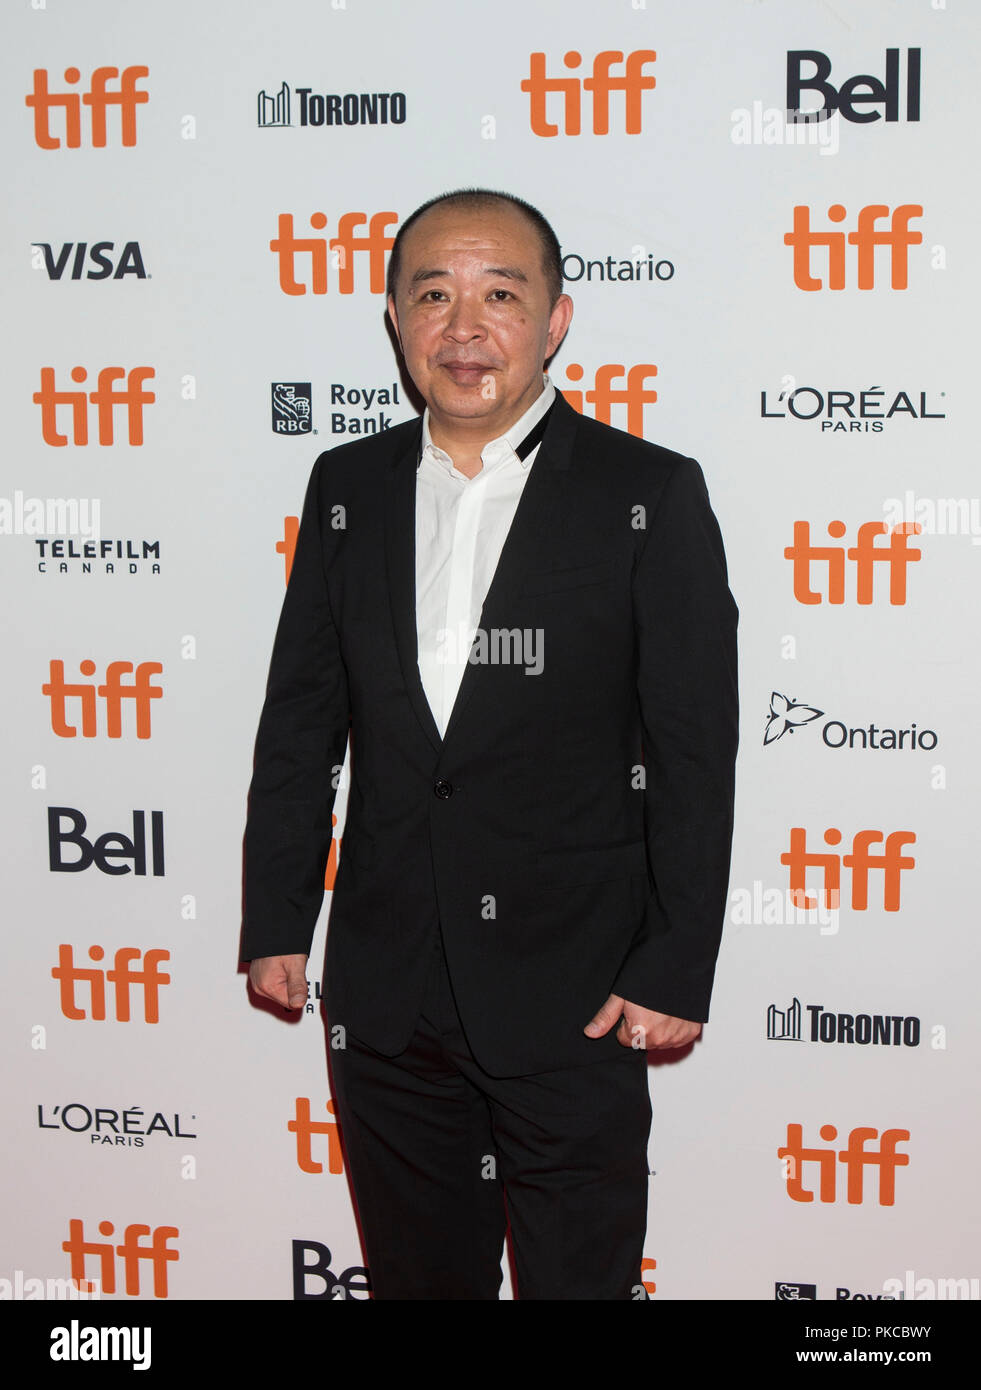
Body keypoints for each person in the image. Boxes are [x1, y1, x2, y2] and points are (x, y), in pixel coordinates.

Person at [242, 188, 738, 1300]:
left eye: (500, 295)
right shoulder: (347, 488)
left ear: (556, 319)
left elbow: (695, 750)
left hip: (579, 992)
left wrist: (674, 961)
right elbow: (300, 723)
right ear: (395, 318)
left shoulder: (646, 494)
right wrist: (280, 918)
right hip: (388, 989)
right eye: (434, 294)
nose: (465, 329)